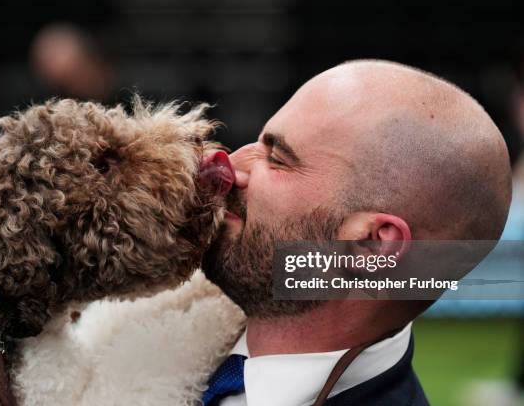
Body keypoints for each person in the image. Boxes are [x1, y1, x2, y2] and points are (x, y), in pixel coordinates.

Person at [200, 59, 512, 405]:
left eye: (277, 158)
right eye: (258, 142)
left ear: (373, 243)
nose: (229, 164)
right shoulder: (149, 323)